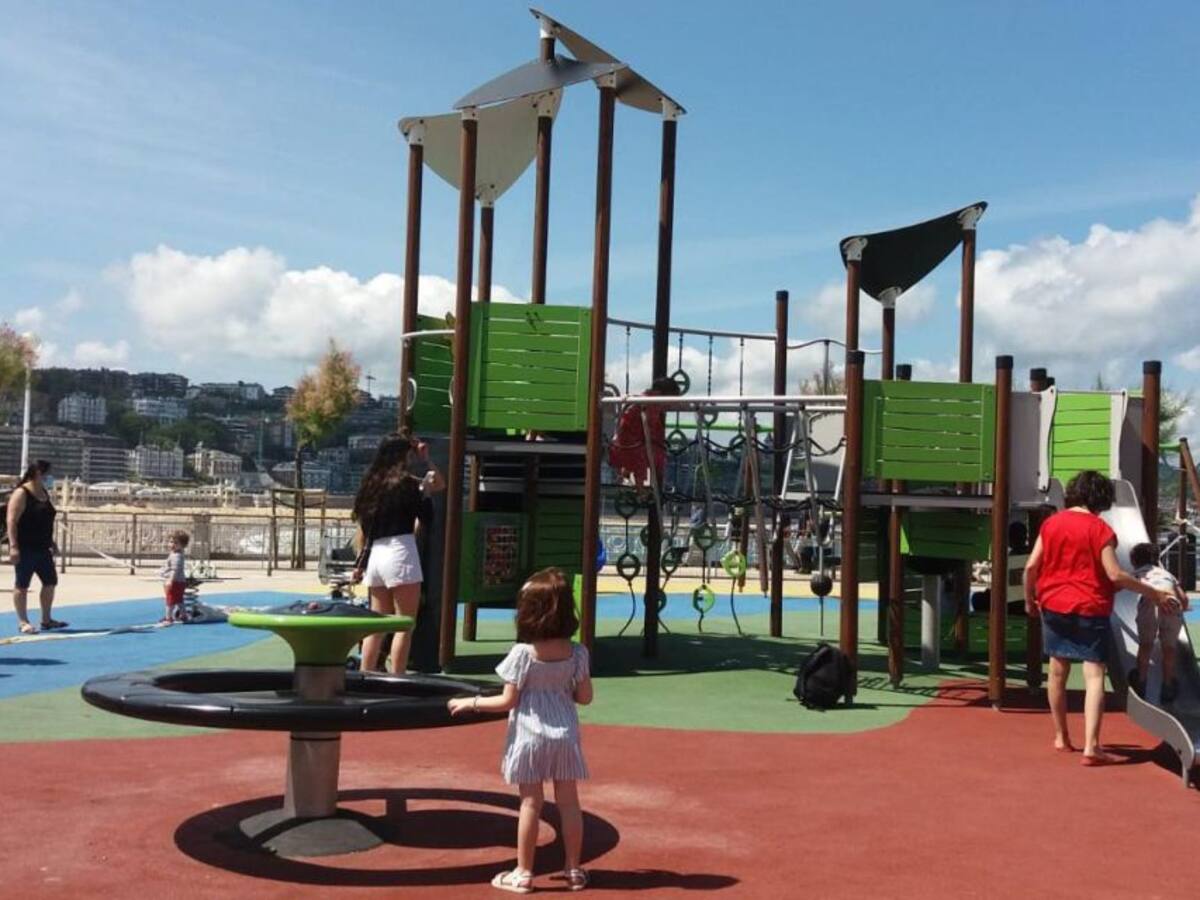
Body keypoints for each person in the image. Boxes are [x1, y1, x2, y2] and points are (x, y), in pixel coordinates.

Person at [448, 568, 593, 894]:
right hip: (565, 737)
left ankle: (524, 872)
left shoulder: (522, 655)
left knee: (531, 803)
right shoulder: (577, 653)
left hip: (529, 737)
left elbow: (507, 700)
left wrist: (469, 702)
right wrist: (560, 691)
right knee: (569, 802)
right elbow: (585, 697)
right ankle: (573, 869)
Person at [1023, 471, 1173, 765]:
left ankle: (1061, 736)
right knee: (1094, 677)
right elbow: (1115, 574)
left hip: (1053, 605)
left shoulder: (1051, 523)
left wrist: (1030, 598)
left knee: (1057, 673)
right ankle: (1092, 746)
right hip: (1090, 607)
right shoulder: (1100, 529)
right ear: (1101, 498)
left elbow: (1031, 567)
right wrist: (1152, 593)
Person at [352, 432, 444, 674]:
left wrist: (360, 563)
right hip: (400, 551)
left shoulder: (371, 484)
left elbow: (366, 530)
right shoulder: (408, 484)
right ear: (404, 455)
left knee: (377, 624)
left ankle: (365, 675)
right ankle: (398, 678)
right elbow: (429, 512)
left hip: (377, 555)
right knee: (405, 625)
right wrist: (427, 463)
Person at [5, 460, 65, 635]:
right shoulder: (21, 493)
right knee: (22, 584)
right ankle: (23, 621)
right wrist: (14, 546)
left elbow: (45, 519)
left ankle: (46, 619)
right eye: (48, 474)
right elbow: (11, 520)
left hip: (42, 547)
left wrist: (52, 542)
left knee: (50, 582)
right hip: (25, 547)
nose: (50, 478)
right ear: (39, 473)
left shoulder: (44, 492)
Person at [1128, 542, 1189, 703]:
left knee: (1146, 644)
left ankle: (1141, 680)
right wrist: (1184, 606)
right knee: (1169, 649)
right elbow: (1183, 597)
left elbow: (1121, 584)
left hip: (1149, 602)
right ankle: (1168, 685)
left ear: (1135, 561)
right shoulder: (1167, 574)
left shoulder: (1137, 572)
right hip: (1171, 603)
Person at [606, 375, 681, 490]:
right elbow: (649, 428)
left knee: (646, 452)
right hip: (633, 446)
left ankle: (627, 475)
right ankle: (641, 490)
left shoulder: (643, 399)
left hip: (621, 445)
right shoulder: (651, 404)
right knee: (656, 454)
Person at [160, 530, 190, 624]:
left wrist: (170, 580)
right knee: (179, 599)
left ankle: (168, 618)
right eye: (171, 542)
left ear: (183, 545)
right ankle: (184, 615)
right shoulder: (176, 554)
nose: (172, 544)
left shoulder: (176, 556)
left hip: (175, 582)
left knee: (170, 600)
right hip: (180, 581)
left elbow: (175, 569)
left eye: (176, 543)